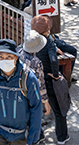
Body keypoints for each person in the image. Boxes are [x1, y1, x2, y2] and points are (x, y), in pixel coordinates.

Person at [0, 38, 43, 145]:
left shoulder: (28, 78)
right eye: (1, 57)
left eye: (9, 57)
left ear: (16, 57)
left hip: (23, 136)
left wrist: (32, 139)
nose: (5, 60)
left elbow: (36, 109)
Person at [32, 14, 75, 144]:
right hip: (48, 79)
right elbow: (53, 60)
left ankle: (38, 136)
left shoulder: (31, 40)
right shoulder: (48, 41)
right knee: (58, 110)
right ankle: (62, 137)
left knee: (36, 109)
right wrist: (55, 74)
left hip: (34, 80)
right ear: (47, 29)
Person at [17, 30, 52, 122]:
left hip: (17, 92)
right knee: (34, 120)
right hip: (31, 95)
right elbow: (40, 83)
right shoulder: (36, 62)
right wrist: (46, 102)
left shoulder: (18, 52)